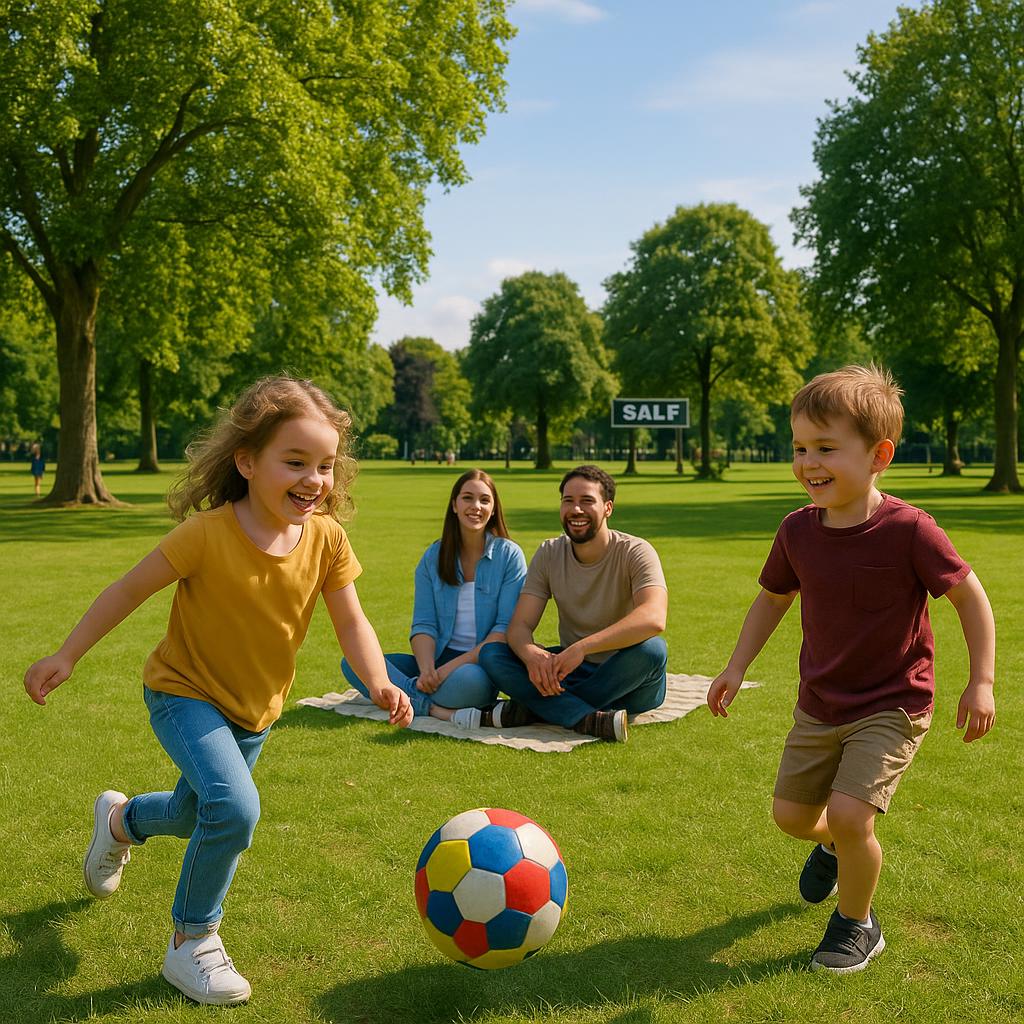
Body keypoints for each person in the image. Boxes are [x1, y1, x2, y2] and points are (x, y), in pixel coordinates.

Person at [23, 376, 412, 1006]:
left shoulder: (328, 538)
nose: (314, 480)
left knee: (191, 811)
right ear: (247, 462)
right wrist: (67, 654)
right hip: (184, 693)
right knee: (234, 809)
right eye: (295, 462)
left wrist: (377, 681)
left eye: (324, 465)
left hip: (254, 710)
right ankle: (192, 941)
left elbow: (352, 621)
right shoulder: (206, 533)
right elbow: (128, 589)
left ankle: (120, 820)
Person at [707, 364, 996, 974]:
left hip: (893, 704)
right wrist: (735, 666)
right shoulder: (796, 531)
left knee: (850, 813)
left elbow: (970, 597)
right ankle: (837, 848)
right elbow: (773, 600)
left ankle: (857, 924)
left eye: (826, 448)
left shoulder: (909, 529)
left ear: (879, 455)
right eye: (800, 448)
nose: (809, 462)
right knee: (791, 817)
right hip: (820, 702)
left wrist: (982, 680)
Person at [468, 464, 668, 743]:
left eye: (587, 501)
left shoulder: (636, 551)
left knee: (653, 650)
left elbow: (653, 617)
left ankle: (533, 710)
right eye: (568, 501)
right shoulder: (549, 552)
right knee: (493, 654)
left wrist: (582, 647)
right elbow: (520, 626)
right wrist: (531, 655)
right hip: (569, 671)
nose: (576, 510)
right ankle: (586, 719)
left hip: (627, 675)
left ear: (608, 507)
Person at [342, 469, 526, 723]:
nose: (476, 506)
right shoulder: (433, 557)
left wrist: (445, 671)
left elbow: (503, 632)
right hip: (435, 661)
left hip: (477, 667)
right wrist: (428, 668)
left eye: (485, 500)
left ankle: (410, 699)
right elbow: (423, 624)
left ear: (494, 509)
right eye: (467, 498)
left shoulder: (509, 556)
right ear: (454, 504)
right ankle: (439, 711)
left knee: (472, 683)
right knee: (354, 663)